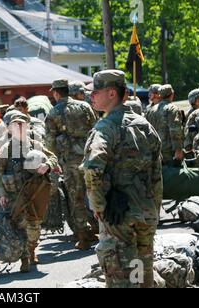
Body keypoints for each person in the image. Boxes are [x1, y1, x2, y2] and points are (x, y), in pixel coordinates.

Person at [82, 70, 162, 288]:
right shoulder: (145, 125)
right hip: (145, 214)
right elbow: (156, 174)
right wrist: (154, 208)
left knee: (122, 280)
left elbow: (92, 168)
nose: (91, 96)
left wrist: (97, 206)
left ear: (111, 93)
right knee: (143, 275)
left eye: (95, 92)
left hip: (118, 218)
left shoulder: (105, 128)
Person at [0, 112, 58, 273]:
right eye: (15, 126)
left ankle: (32, 249)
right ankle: (25, 257)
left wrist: (47, 165)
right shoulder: (6, 149)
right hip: (15, 195)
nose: (19, 128)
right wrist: (1, 194)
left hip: (34, 192)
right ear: (10, 129)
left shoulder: (36, 145)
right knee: (19, 225)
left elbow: (53, 157)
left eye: (22, 125)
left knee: (34, 224)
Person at [45, 78, 98, 250]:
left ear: (56, 93)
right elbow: (97, 129)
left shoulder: (53, 113)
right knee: (95, 193)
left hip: (69, 163)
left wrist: (53, 163)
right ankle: (101, 229)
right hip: (90, 158)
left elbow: (50, 142)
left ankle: (83, 236)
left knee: (76, 199)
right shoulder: (85, 106)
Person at [146, 84, 184, 166]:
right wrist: (178, 150)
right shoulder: (172, 109)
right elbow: (175, 130)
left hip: (155, 151)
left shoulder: (151, 110)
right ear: (172, 94)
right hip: (169, 152)